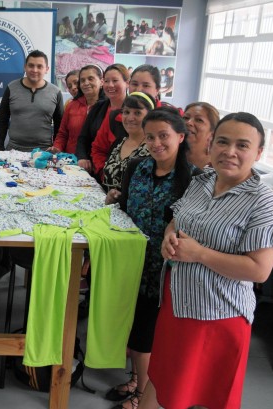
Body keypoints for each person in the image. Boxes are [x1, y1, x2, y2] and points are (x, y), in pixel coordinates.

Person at [139, 112, 273, 409]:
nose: (229, 151)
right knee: (162, 379)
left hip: (216, 317)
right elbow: (177, 221)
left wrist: (199, 254)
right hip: (176, 305)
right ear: (210, 144)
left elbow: (259, 270)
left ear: (258, 153)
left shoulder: (263, 201)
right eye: (222, 141)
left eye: (242, 145)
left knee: (204, 396)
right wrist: (170, 236)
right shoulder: (202, 181)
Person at [105, 107, 200, 409]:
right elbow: (125, 212)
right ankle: (137, 379)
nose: (157, 143)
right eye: (151, 137)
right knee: (133, 326)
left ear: (180, 136)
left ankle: (142, 394)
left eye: (164, 136)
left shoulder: (193, 179)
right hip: (131, 262)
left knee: (146, 331)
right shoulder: (137, 167)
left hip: (165, 270)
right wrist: (115, 200)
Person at [0, 50, 63, 152]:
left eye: (39, 66)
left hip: (44, 152)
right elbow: (2, 120)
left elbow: (60, 125)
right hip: (14, 151)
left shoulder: (56, 92)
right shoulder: (11, 88)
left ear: (47, 69)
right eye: (31, 66)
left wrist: (57, 147)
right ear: (25, 67)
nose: (34, 70)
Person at [76, 63, 129, 177]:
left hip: (121, 174)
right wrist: (82, 157)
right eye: (106, 81)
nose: (110, 85)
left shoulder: (134, 111)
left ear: (127, 83)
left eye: (115, 80)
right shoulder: (98, 107)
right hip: (94, 170)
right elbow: (83, 138)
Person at [98, 92, 154, 190]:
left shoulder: (152, 149)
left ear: (149, 117)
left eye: (137, 113)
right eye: (126, 112)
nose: (130, 118)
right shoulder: (119, 142)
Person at [50, 65, 104, 154]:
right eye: (82, 80)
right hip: (71, 161)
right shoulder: (71, 106)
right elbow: (62, 134)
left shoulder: (107, 106)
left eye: (90, 79)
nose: (86, 83)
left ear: (101, 81)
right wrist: (57, 147)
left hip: (96, 162)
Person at [183, 102, 220, 169]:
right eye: (186, 118)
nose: (189, 122)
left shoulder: (218, 167)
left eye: (199, 120)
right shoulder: (168, 156)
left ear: (212, 133)